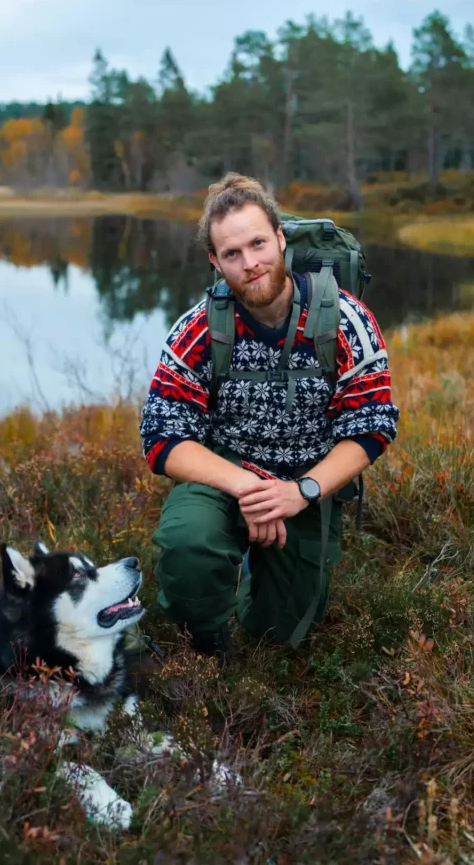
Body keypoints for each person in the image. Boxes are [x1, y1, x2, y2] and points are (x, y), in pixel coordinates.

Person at [139, 174, 399, 662]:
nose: (250, 263)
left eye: (258, 243)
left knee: (280, 632)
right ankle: (205, 645)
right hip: (224, 475)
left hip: (306, 482)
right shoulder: (197, 328)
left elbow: (371, 427)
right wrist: (249, 490)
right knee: (189, 547)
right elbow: (162, 437)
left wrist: (297, 493)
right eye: (232, 254)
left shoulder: (346, 320)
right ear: (215, 263)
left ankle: (256, 585)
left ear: (280, 238)